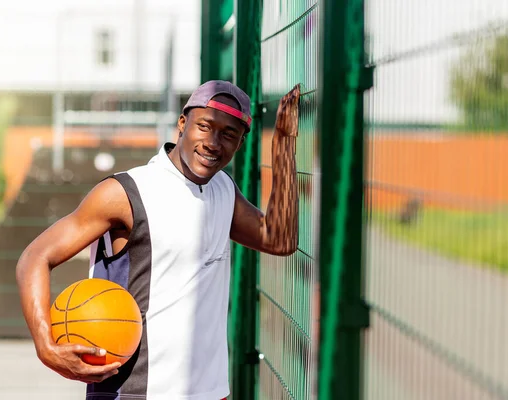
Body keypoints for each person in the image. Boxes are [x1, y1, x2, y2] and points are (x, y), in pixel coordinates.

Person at [16, 80, 300, 400]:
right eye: (204, 126)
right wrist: (46, 346)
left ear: (240, 143)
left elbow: (280, 239)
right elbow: (36, 256)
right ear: (182, 124)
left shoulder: (224, 190)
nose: (213, 142)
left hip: (211, 391)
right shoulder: (126, 192)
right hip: (135, 391)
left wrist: (285, 144)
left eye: (228, 134)